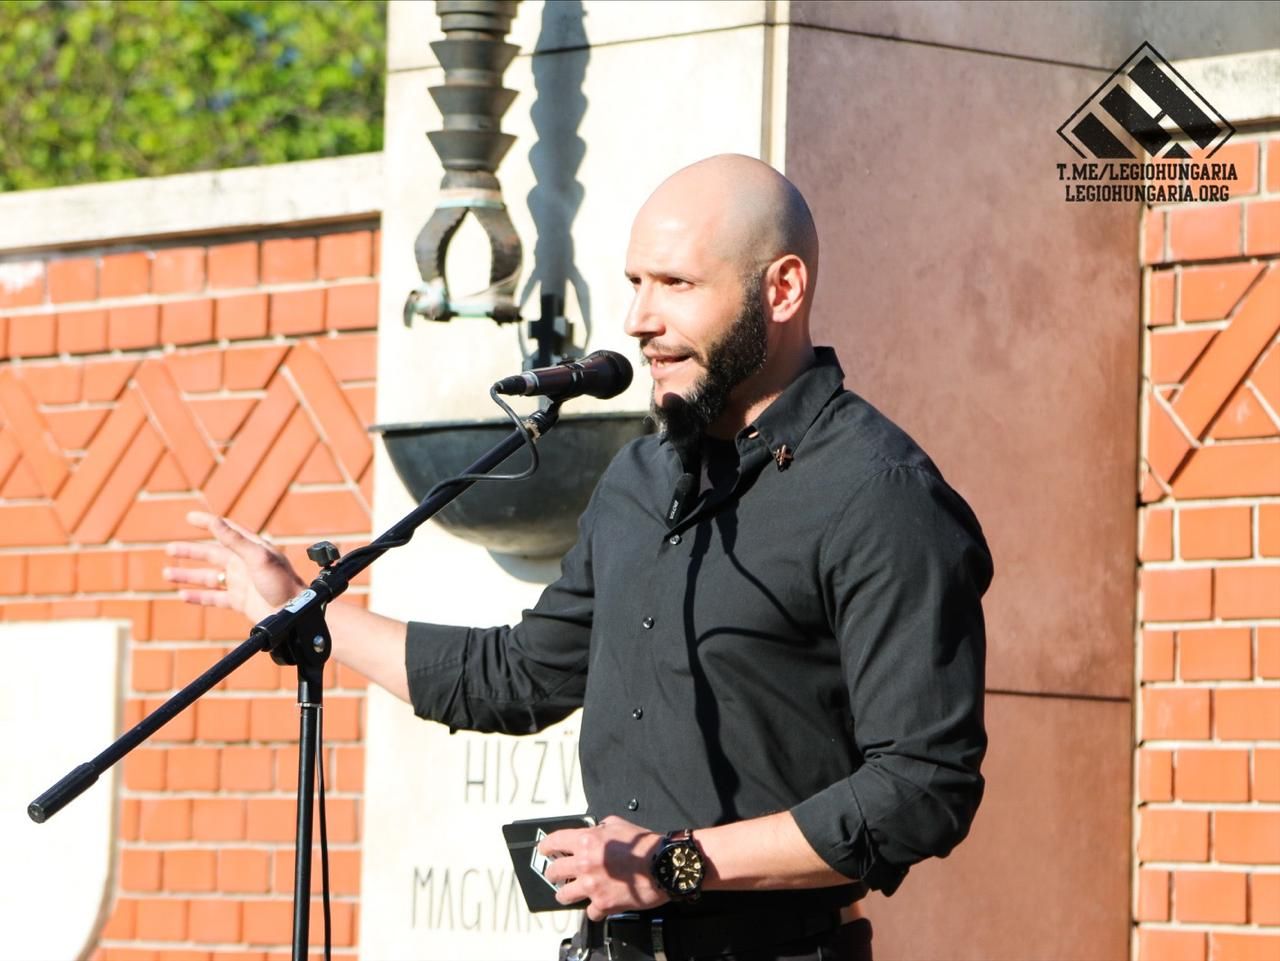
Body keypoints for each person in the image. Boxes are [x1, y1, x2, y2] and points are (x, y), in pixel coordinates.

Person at [166, 154, 993, 961]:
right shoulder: (638, 479)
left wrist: (676, 862)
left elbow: (922, 787)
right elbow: (517, 676)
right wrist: (303, 611)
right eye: (635, 282)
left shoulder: (880, 493)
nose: (638, 317)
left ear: (782, 290)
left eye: (676, 283)